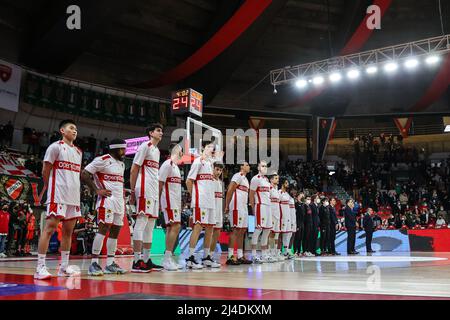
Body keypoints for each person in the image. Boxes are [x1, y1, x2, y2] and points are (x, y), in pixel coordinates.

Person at [34, 119, 83, 280]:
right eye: (71, 128)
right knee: (50, 228)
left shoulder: (78, 152)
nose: (74, 131)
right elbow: (45, 169)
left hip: (74, 197)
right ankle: (40, 267)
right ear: (62, 130)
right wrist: (50, 188)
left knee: (68, 232)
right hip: (58, 193)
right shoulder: (55, 147)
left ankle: (63, 267)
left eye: (75, 128)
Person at [82, 138, 128, 276]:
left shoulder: (121, 164)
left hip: (119, 202)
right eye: (122, 149)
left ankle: (110, 264)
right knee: (103, 230)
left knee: (115, 231)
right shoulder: (102, 159)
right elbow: (84, 174)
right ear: (116, 149)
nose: (124, 152)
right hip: (106, 201)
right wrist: (96, 190)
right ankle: (94, 263)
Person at [129, 123, 164, 272]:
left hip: (153, 190)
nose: (161, 133)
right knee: (141, 222)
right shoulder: (145, 146)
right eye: (158, 130)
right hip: (143, 188)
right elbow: (134, 168)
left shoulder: (156, 150)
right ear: (151, 133)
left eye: (162, 131)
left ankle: (146, 259)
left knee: (150, 225)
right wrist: (132, 190)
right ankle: (136, 261)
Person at [185, 140, 220, 269]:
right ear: (203, 149)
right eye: (209, 147)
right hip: (201, 200)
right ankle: (190, 257)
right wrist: (194, 195)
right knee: (198, 226)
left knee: (210, 228)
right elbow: (189, 181)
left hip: (210, 201)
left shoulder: (211, 164)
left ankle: (206, 257)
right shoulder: (198, 161)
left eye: (213, 147)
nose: (212, 149)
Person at [158, 143, 184, 271]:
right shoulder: (167, 164)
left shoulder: (176, 167)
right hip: (168, 200)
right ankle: (167, 258)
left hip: (175, 201)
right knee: (176, 226)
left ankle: (167, 258)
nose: (182, 153)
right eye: (180, 151)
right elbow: (160, 183)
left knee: (171, 227)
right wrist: (157, 201)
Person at [224, 161, 252, 265]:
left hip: (243, 207)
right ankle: (231, 256)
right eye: (247, 164)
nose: (248, 166)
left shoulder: (245, 179)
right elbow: (230, 189)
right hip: (236, 206)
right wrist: (227, 205)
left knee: (242, 231)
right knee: (235, 230)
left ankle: (240, 256)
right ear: (241, 166)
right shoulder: (238, 175)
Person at [249, 160, 274, 263]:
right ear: (258, 167)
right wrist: (252, 207)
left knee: (267, 230)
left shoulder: (267, 180)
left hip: (268, 206)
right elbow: (251, 194)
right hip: (260, 206)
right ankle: (254, 255)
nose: (265, 168)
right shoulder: (255, 179)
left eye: (266, 166)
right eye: (262, 166)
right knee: (258, 229)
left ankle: (264, 254)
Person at [210, 162, 224, 263]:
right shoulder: (209, 180)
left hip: (219, 211)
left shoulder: (220, 182)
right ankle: (206, 255)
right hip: (211, 210)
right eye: (217, 169)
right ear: (213, 168)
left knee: (217, 233)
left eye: (220, 170)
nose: (218, 172)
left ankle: (210, 255)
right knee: (209, 233)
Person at [268, 174, 283, 261]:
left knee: (276, 233)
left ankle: (275, 253)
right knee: (270, 233)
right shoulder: (269, 188)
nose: (278, 180)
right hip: (271, 213)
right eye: (276, 178)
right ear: (271, 179)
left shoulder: (276, 189)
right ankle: (268, 252)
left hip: (277, 214)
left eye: (278, 178)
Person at [279, 178, 292, 259]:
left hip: (287, 216)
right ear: (282, 184)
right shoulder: (279, 192)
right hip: (281, 216)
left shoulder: (287, 194)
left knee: (287, 233)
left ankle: (286, 251)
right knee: (280, 234)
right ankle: (278, 251)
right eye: (286, 183)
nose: (288, 184)